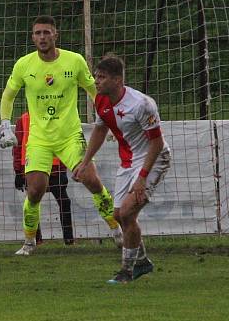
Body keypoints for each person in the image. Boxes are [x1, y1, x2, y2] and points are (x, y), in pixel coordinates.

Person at [0, 15, 121, 256]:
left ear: (56, 35)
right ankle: (29, 242)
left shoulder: (74, 61)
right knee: (34, 190)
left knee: (92, 182)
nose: (42, 37)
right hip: (39, 139)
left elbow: (94, 90)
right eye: (37, 33)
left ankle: (117, 231)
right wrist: (5, 126)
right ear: (33, 37)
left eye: (46, 32)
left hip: (69, 136)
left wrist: (110, 119)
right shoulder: (24, 64)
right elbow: (8, 95)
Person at [73, 55, 171, 284]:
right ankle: (143, 262)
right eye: (96, 76)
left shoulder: (142, 104)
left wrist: (142, 178)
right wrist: (85, 162)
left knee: (127, 213)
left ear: (118, 80)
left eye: (102, 77)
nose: (96, 81)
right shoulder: (101, 100)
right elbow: (99, 130)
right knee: (119, 215)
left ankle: (126, 271)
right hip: (127, 162)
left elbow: (156, 142)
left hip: (154, 159)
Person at [13, 111, 75, 245]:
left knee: (64, 202)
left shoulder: (54, 117)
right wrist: (18, 172)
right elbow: (18, 146)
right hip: (32, 169)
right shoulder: (23, 119)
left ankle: (69, 239)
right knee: (33, 203)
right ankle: (36, 239)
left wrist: (63, 169)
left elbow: (63, 143)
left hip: (55, 170)